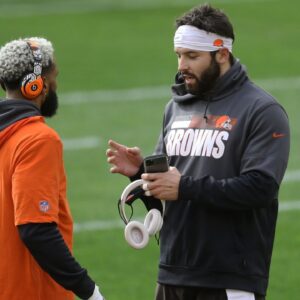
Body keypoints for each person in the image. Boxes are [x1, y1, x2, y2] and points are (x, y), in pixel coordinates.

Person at [106, 4, 290, 300]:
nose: (182, 65)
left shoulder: (262, 111)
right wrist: (141, 175)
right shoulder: (175, 107)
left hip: (229, 278)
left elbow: (261, 188)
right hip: (172, 272)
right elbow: (169, 190)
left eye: (192, 56)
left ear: (222, 54)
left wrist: (184, 187)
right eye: (179, 55)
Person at [0, 38, 105, 300]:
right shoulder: (37, 139)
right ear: (37, 85)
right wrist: (89, 291)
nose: (55, 85)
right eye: (53, 76)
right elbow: (36, 229)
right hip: (31, 292)